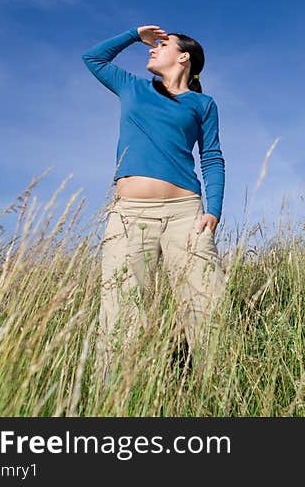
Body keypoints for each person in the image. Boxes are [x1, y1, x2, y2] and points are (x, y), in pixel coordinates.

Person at [82, 24, 227, 381]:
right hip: (129, 216)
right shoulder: (132, 87)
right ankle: (112, 399)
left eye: (163, 45)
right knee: (120, 311)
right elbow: (93, 58)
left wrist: (214, 211)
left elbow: (212, 158)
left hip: (185, 215)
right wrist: (134, 34)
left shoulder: (202, 104)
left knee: (206, 306)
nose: (152, 49)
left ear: (184, 57)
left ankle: (218, 390)